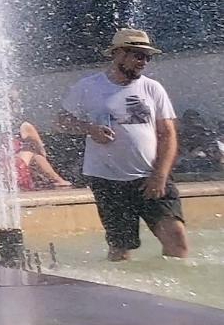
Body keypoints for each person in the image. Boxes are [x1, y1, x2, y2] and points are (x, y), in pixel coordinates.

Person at [59, 28, 187, 262]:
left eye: (147, 57)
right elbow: (62, 121)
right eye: (138, 55)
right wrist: (89, 129)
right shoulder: (89, 86)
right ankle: (124, 295)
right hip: (108, 180)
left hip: (151, 176)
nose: (143, 62)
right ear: (118, 54)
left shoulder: (152, 88)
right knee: (120, 248)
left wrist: (159, 176)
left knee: (176, 239)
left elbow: (168, 134)